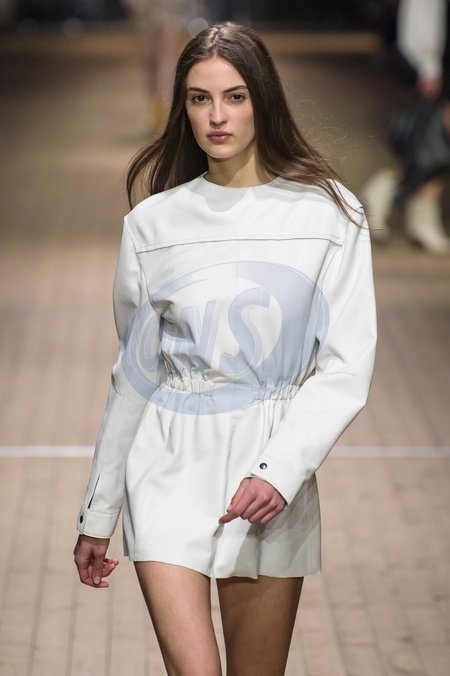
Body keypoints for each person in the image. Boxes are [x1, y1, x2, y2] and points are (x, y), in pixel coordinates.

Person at [73, 22, 377, 675]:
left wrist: (280, 472)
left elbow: (346, 365)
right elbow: (134, 377)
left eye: (235, 97)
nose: (217, 116)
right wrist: (99, 512)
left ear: (263, 101)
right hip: (165, 464)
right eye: (199, 98)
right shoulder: (152, 224)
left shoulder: (330, 217)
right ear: (181, 108)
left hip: (269, 474)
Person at [363, 0, 450, 254]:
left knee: (432, 142)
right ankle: (411, 206)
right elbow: (424, 11)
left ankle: (389, 193)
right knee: (433, 141)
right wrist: (428, 66)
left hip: (435, 63)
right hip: (434, 67)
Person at [123, 0, 207, 132]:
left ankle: (163, 113)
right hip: (145, 6)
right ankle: (156, 110)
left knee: (165, 54)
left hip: (169, 5)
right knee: (149, 59)